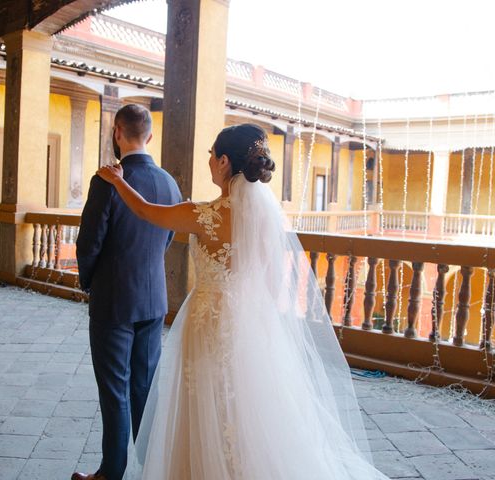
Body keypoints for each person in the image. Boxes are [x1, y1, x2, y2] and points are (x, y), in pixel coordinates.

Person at [96, 123, 390, 479]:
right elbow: (270, 280)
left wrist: (116, 181)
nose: (208, 161)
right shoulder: (266, 217)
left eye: (210, 155)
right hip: (250, 320)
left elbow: (144, 211)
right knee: (247, 406)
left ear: (223, 162)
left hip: (207, 321)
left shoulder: (202, 215)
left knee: (205, 402)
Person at [73, 104, 182, 480]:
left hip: (114, 301)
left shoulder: (106, 180)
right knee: (144, 388)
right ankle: (153, 468)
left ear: (117, 132)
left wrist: (90, 280)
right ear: (149, 136)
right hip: (153, 299)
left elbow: (89, 242)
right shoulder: (169, 183)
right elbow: (168, 236)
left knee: (114, 388)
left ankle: (111, 472)